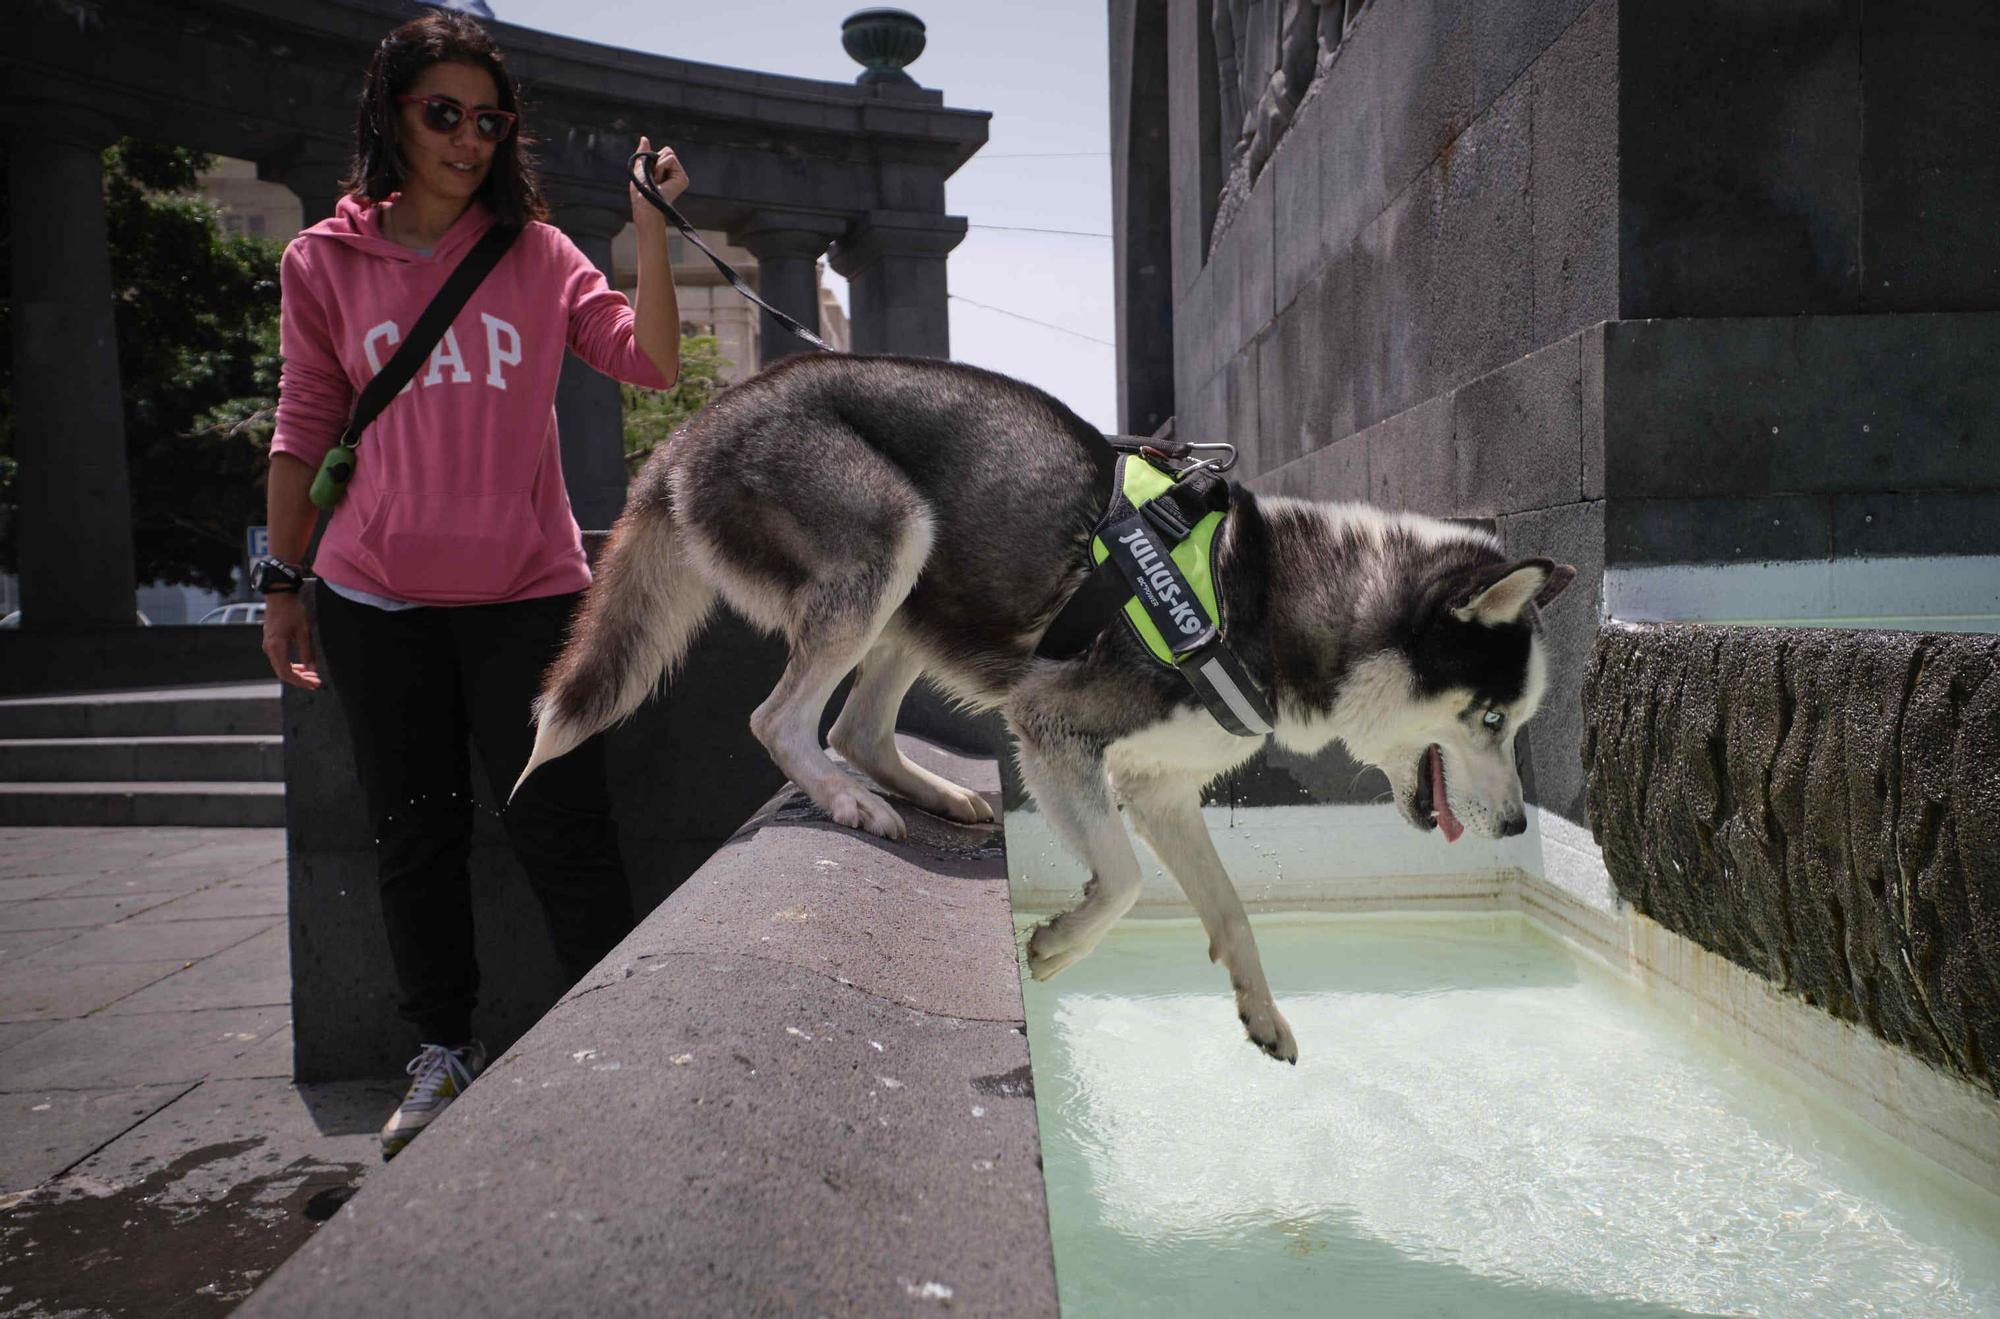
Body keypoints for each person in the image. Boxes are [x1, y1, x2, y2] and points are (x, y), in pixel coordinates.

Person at [254, 11, 688, 1159]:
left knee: (563, 824)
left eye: (487, 120)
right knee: (415, 834)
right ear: (391, 114)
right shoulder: (323, 261)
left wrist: (645, 229)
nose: (467, 138)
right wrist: (283, 579)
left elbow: (646, 359)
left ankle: (618, 1034)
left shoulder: (538, 255)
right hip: (370, 592)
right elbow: (302, 425)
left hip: (527, 591)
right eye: (442, 113)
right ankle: (442, 1048)